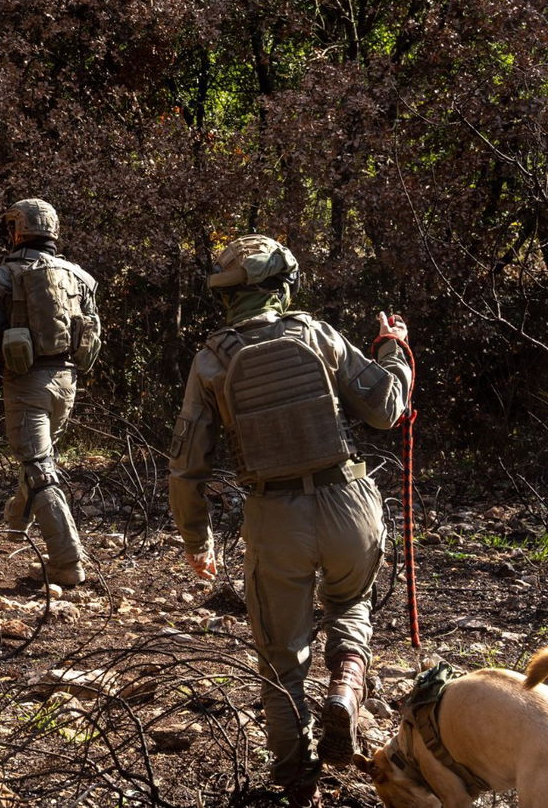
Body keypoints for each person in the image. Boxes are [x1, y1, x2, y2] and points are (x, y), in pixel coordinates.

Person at [166, 234, 412, 806]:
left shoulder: (211, 360)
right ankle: (347, 687)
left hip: (275, 517)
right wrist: (393, 349)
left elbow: (185, 468)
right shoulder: (316, 333)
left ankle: (299, 787)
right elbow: (385, 409)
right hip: (349, 502)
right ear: (285, 282)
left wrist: (196, 539)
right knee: (351, 603)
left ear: (227, 295)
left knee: (280, 661)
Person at [0, 198, 101, 586]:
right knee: (40, 459)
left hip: (25, 384)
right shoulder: (80, 277)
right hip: (66, 383)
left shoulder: (3, 276)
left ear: (18, 231)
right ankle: (14, 527)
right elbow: (91, 333)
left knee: (39, 469)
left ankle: (67, 562)